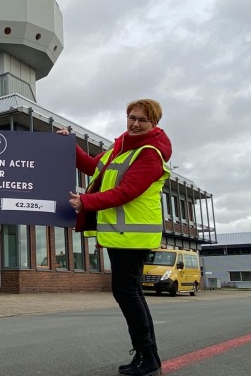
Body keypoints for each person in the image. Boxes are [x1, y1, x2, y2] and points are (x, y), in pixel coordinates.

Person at [59, 99, 171, 376]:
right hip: (120, 235)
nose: (134, 123)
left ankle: (147, 356)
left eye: (142, 120)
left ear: (154, 124)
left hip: (132, 236)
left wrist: (86, 201)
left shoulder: (150, 153)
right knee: (131, 293)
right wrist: (69, 144)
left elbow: (127, 191)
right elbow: (90, 167)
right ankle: (149, 355)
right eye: (131, 117)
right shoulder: (120, 147)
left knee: (127, 293)